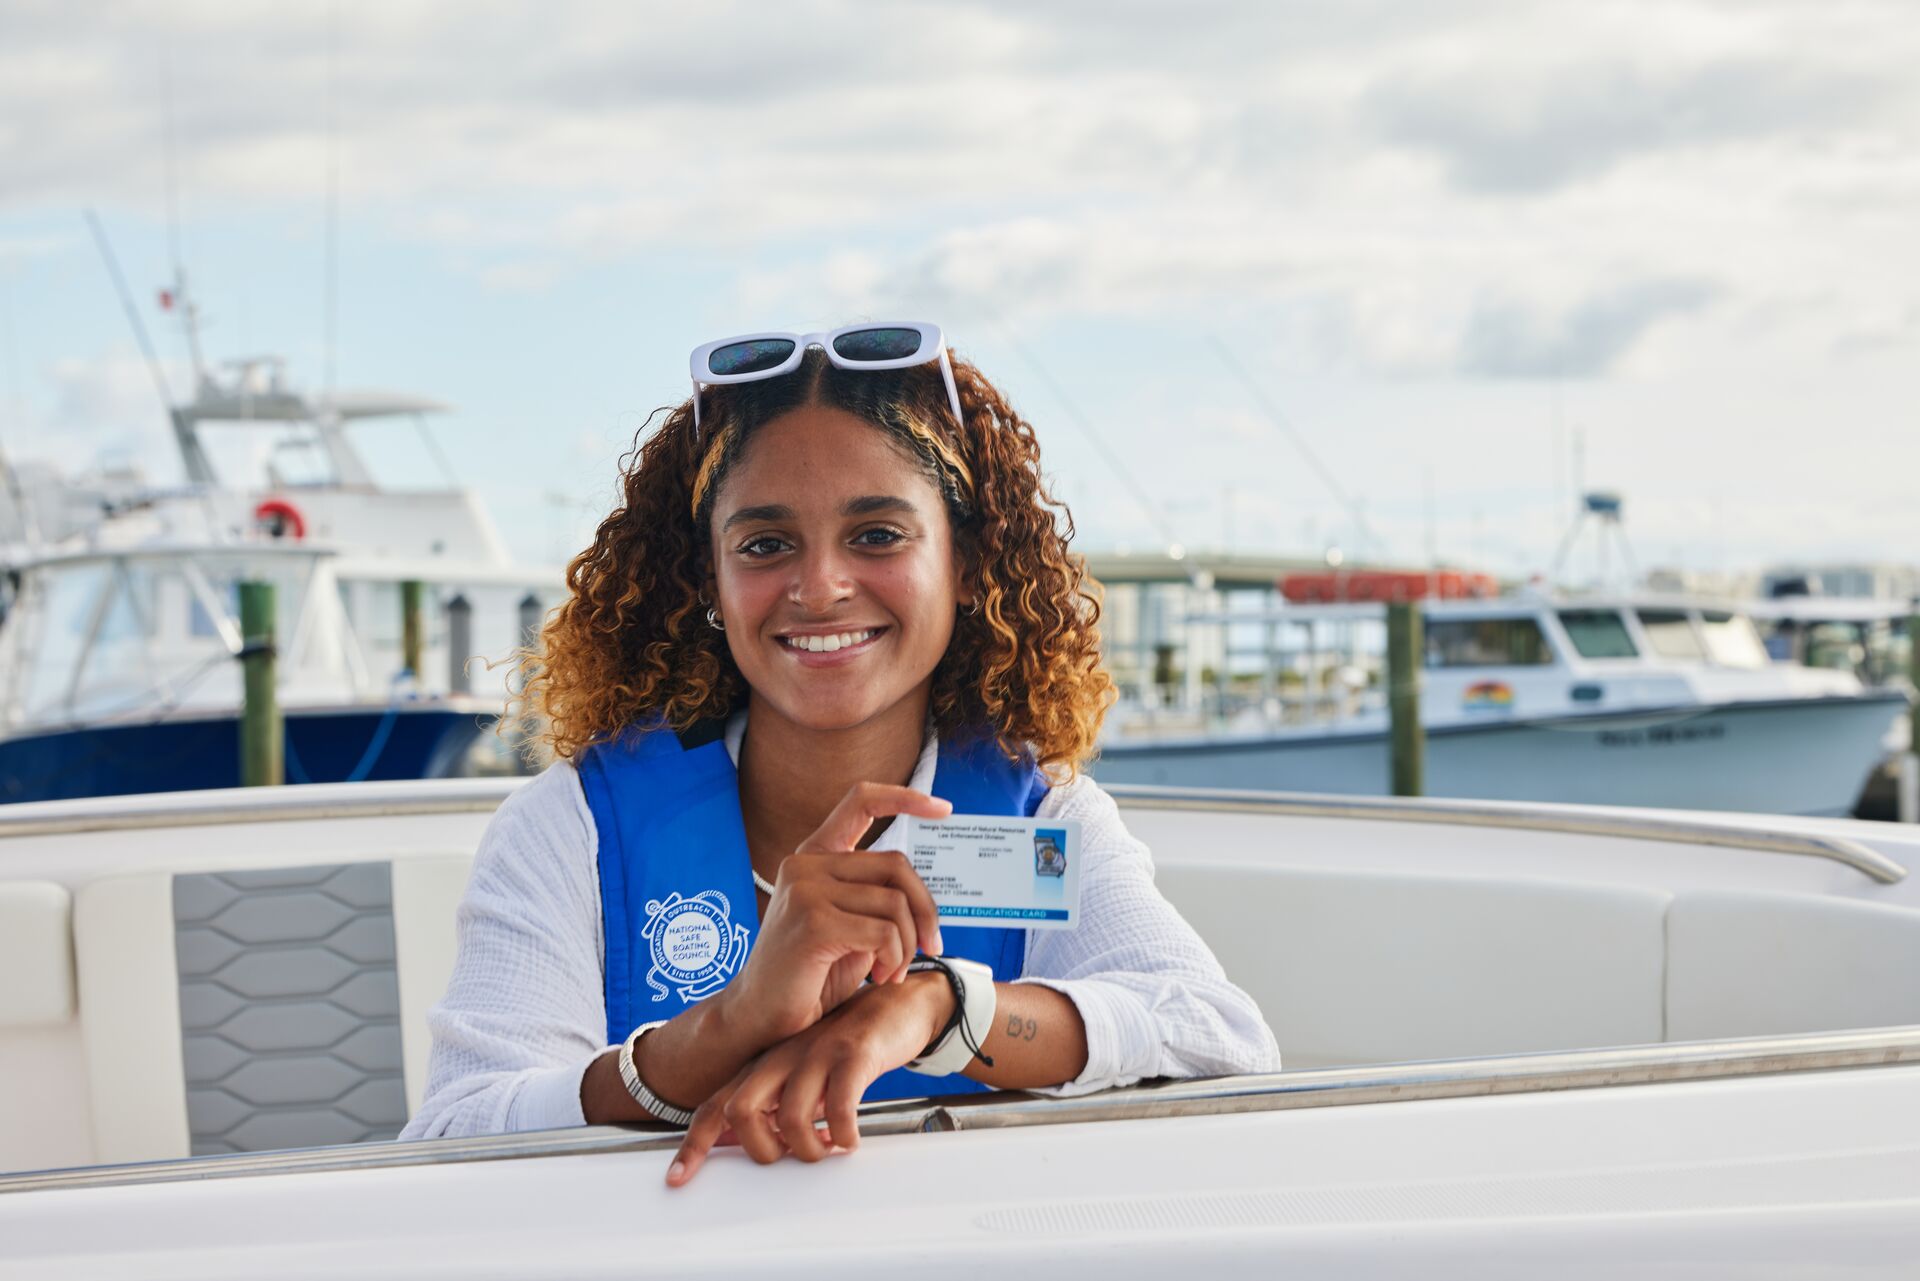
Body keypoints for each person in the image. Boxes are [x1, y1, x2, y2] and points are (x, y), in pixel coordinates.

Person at [400, 323, 1279, 1185]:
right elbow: (451, 1134)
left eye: (877, 535)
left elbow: (1222, 1042)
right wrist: (722, 1031)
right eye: (765, 544)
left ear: (965, 563)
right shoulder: (575, 827)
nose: (820, 586)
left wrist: (942, 1008)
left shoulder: (1040, 819)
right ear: (710, 578)